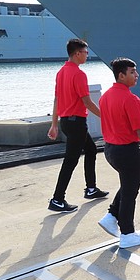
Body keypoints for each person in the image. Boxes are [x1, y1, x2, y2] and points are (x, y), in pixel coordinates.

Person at [97, 58, 140, 248]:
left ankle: (111, 216)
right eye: (132, 72)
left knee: (127, 185)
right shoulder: (131, 99)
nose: (136, 75)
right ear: (121, 75)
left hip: (110, 149)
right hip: (127, 151)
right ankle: (127, 233)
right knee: (130, 192)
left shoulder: (105, 96)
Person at [47, 38, 108, 213]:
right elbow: (87, 102)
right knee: (70, 161)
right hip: (76, 123)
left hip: (66, 122)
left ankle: (91, 189)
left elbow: (57, 99)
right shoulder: (79, 74)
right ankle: (57, 199)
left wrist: (54, 125)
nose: (87, 55)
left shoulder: (61, 72)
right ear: (77, 53)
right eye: (86, 52)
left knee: (90, 150)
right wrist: (106, 117)